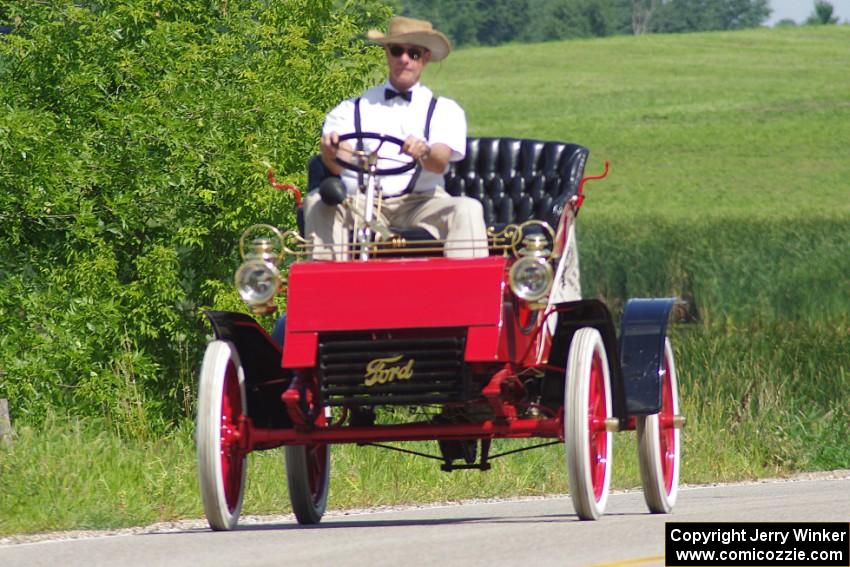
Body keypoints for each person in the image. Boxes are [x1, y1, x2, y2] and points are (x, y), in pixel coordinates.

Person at [303, 16, 488, 260]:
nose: (404, 59)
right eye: (397, 50)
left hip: (421, 203)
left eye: (413, 53)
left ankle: (469, 292)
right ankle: (325, 288)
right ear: (387, 53)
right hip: (360, 203)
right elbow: (338, 163)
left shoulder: (444, 110)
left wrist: (423, 151)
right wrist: (331, 151)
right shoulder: (351, 109)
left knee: (467, 208)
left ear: (425, 58)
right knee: (318, 201)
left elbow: (439, 162)